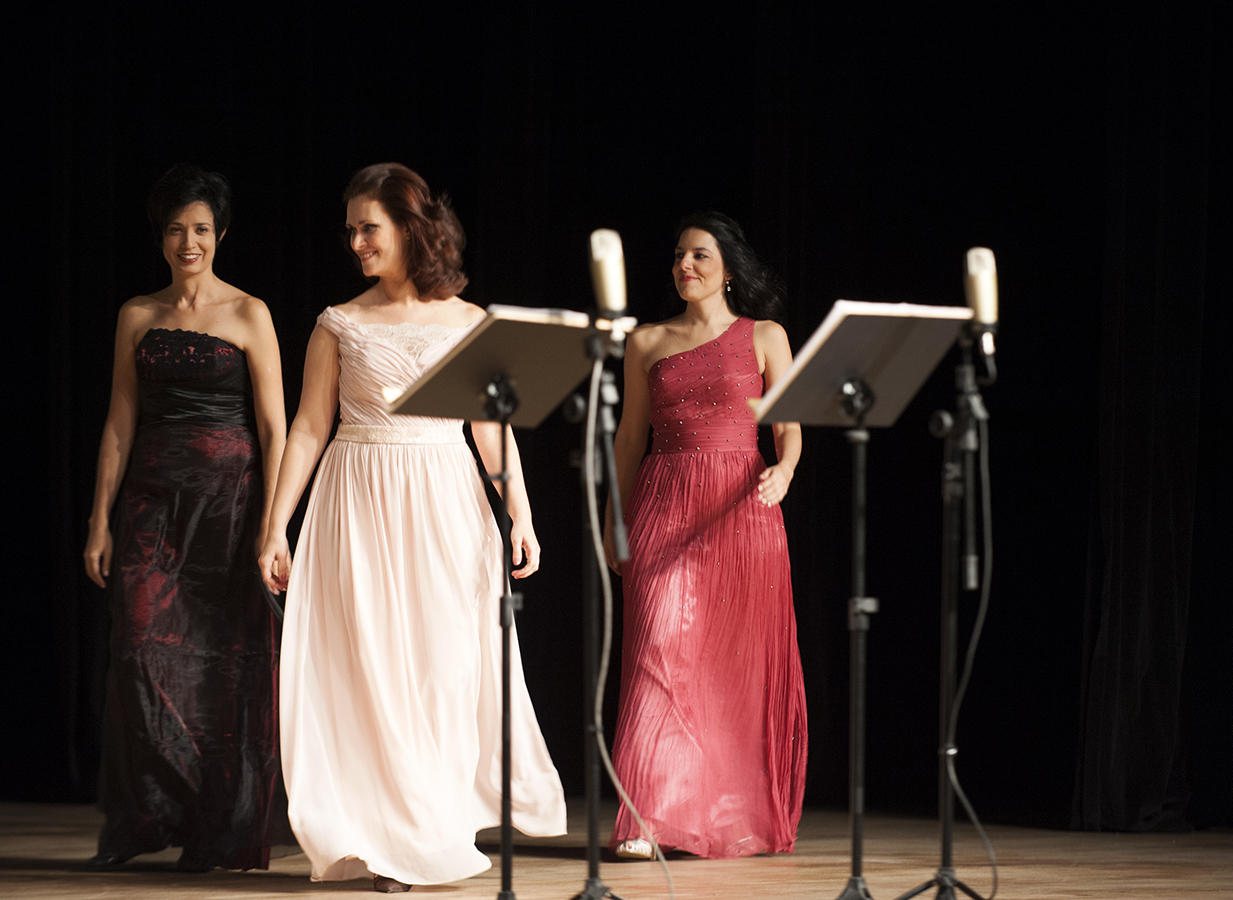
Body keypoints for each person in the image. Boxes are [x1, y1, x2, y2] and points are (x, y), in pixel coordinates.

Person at [257, 162, 566, 892]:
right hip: (357, 501)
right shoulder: (338, 322)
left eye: (369, 227)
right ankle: (389, 840)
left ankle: (435, 827)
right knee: (373, 669)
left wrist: (520, 513)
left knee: (443, 668)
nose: (356, 242)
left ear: (408, 226)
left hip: (445, 503)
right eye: (350, 230)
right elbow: (307, 427)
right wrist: (276, 527)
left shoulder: (468, 321)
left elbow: (493, 431)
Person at [82, 164, 288, 871]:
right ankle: (148, 817)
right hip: (152, 504)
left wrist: (274, 524)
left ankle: (214, 830)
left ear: (220, 233)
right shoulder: (137, 315)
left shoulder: (250, 313)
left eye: (201, 228)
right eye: (176, 229)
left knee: (223, 667)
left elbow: (275, 428)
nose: (188, 242)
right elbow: (119, 422)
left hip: (230, 507)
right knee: (139, 649)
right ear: (160, 236)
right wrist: (99, 521)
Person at [603, 212, 808, 859]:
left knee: (725, 668)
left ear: (728, 270)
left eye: (699, 256)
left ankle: (713, 815)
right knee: (658, 649)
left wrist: (785, 470)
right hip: (665, 501)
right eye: (678, 256)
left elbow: (790, 425)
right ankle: (647, 817)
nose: (684, 265)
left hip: (741, 507)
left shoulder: (766, 335)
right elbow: (629, 439)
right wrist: (613, 520)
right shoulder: (646, 341)